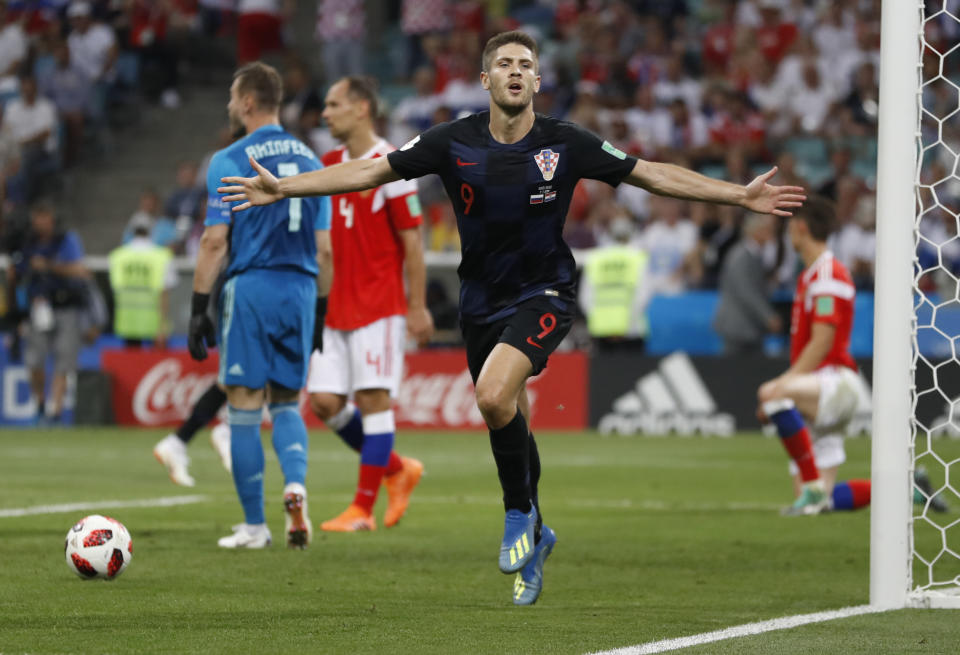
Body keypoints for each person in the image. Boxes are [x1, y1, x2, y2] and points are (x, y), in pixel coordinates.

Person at [218, 31, 805, 604]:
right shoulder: (452, 141)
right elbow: (371, 171)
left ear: (538, 79)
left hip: (544, 293)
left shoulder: (566, 142)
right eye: (505, 63)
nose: (516, 70)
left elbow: (650, 172)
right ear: (487, 79)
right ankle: (539, 531)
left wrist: (737, 195)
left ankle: (517, 514)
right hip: (479, 303)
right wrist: (286, 189)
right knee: (511, 414)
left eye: (526, 62)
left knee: (494, 396)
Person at [190, 61, 332, 550]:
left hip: (252, 288)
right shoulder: (314, 162)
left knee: (245, 405)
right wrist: (320, 313)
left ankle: (255, 526)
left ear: (248, 102)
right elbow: (326, 250)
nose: (231, 106)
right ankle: (295, 486)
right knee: (288, 401)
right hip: (300, 291)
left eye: (233, 98)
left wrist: (197, 307)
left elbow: (214, 241)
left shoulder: (229, 157)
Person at [757, 196, 948, 516]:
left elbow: (823, 340)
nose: (788, 235)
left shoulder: (828, 275)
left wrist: (785, 383)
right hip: (821, 385)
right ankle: (909, 490)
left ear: (801, 228)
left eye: (791, 227)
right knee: (818, 503)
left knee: (771, 395)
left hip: (835, 383)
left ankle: (814, 490)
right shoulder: (812, 275)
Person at [307, 76, 433, 532]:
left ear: (362, 108)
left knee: (373, 398)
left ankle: (362, 509)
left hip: (378, 304)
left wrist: (417, 307)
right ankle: (398, 469)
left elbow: (413, 244)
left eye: (333, 104)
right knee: (323, 401)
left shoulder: (393, 165)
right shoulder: (328, 163)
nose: (325, 113)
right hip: (333, 306)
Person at [13, 200, 90, 423]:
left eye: (45, 217)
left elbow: (80, 270)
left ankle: (55, 411)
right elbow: (18, 275)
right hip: (38, 308)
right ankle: (39, 401)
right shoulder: (27, 243)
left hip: (66, 306)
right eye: (38, 218)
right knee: (34, 361)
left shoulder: (66, 240)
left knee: (63, 361)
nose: (42, 223)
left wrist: (48, 266)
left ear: (52, 218)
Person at [578, 216, 650, 352]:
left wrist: (600, 321)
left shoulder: (596, 258)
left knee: (602, 373)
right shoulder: (637, 257)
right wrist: (626, 326)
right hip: (632, 330)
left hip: (601, 330)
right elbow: (643, 295)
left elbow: (586, 298)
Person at [713, 212, 781, 355]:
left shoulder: (754, 254)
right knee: (735, 371)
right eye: (768, 229)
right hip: (738, 327)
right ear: (756, 231)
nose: (772, 233)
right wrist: (768, 316)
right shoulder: (741, 256)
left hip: (749, 326)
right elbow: (746, 291)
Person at [108, 214, 176, 348]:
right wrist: (162, 325)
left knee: (130, 366)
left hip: (127, 323)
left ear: (131, 230)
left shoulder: (117, 256)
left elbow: (115, 288)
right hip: (155, 324)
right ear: (152, 230)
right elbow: (164, 293)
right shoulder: (162, 256)